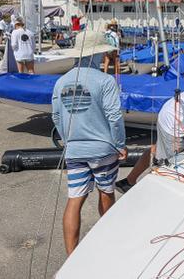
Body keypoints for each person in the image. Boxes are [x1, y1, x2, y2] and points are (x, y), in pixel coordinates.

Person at [51, 66, 126, 254]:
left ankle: (71, 258)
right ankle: (110, 246)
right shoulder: (105, 80)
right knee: (106, 192)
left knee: (74, 200)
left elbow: (56, 116)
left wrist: (69, 142)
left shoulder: (61, 81)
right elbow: (114, 116)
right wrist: (120, 144)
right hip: (102, 149)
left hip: (74, 150)